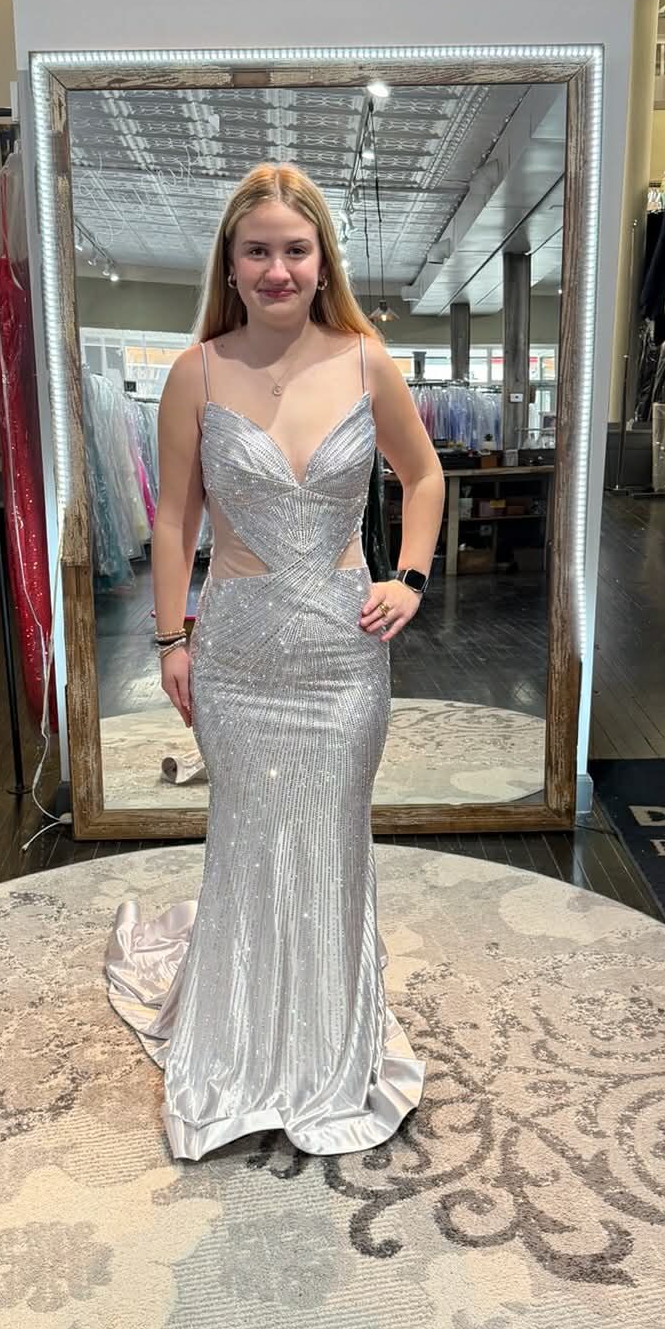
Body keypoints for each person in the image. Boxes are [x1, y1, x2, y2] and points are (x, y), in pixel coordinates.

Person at [104, 161, 446, 1160]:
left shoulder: (366, 360)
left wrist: (411, 577)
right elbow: (171, 520)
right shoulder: (195, 374)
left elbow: (421, 477)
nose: (278, 267)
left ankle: (330, 1053)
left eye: (296, 249)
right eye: (258, 249)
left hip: (343, 652)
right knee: (251, 845)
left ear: (321, 258)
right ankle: (241, 1050)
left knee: (332, 845)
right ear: (232, 261)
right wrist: (173, 638)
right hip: (242, 651)